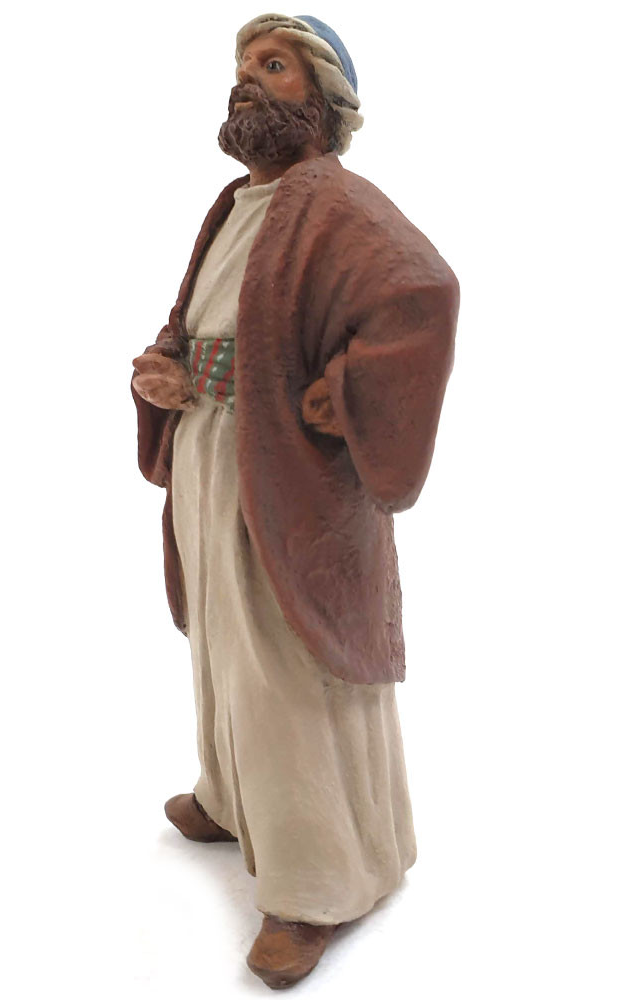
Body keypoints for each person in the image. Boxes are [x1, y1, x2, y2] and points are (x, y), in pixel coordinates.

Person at [131, 13, 459, 990]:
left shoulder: (335, 201)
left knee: (284, 657)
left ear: (321, 99)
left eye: (271, 66)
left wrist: (344, 392)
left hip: (290, 469)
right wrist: (167, 366)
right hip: (213, 450)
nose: (246, 81)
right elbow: (206, 318)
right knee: (224, 639)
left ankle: (317, 884)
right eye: (242, 66)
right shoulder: (238, 202)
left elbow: (425, 292)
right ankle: (233, 797)